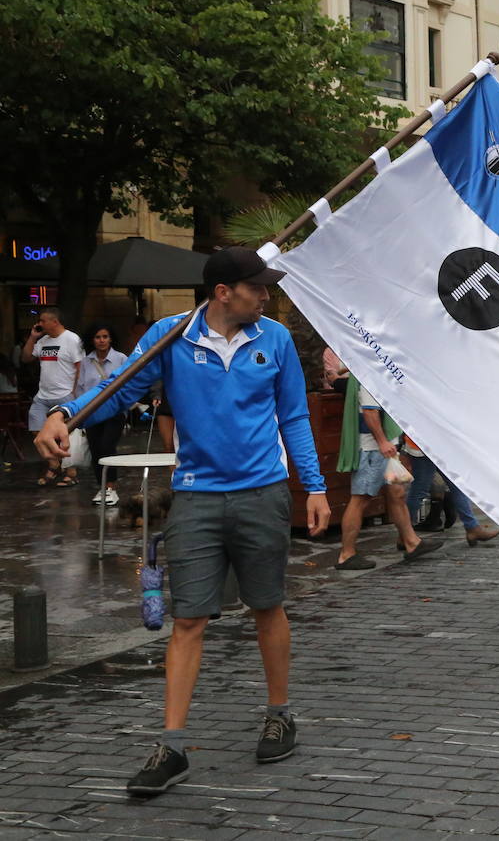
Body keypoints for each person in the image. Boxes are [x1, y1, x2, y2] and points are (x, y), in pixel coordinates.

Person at [34, 246, 331, 798]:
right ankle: (172, 745)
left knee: (267, 604)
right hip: (195, 497)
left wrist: (313, 486)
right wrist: (63, 417)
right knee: (188, 619)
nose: (266, 295)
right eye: (257, 287)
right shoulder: (172, 336)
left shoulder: (275, 340)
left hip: (263, 493)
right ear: (223, 293)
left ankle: (280, 712)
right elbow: (117, 390)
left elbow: (292, 414)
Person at [335, 375, 444, 569]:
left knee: (397, 493)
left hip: (382, 449)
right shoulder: (369, 376)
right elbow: (369, 412)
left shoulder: (369, 373)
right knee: (360, 499)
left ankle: (411, 542)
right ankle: (346, 554)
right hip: (373, 450)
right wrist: (383, 442)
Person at [22, 307, 83, 487]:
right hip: (43, 395)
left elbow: (80, 368)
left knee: (67, 436)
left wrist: (75, 395)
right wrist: (33, 338)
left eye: (42, 321)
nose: (39, 324)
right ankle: (54, 464)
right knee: (37, 431)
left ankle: (70, 472)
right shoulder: (43, 341)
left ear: (54, 321)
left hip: (65, 395)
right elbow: (26, 358)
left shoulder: (72, 340)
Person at [403, 435, 499, 545]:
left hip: (438, 443)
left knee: (457, 485)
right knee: (419, 490)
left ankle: (472, 527)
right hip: (422, 443)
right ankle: (405, 534)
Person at [77, 324, 128, 505]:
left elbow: (129, 384)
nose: (101, 340)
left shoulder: (121, 359)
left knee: (107, 446)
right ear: (93, 339)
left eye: (105, 336)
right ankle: (102, 486)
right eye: (98, 337)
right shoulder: (85, 362)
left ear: (111, 338)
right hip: (92, 412)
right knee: (96, 449)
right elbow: (81, 388)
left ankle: (111, 488)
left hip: (114, 411)